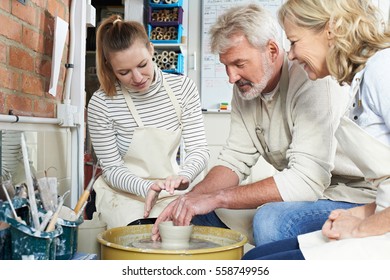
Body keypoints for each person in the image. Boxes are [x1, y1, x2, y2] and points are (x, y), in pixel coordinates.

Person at [151, 3, 376, 244]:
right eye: (225, 66)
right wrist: (189, 200)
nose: (231, 77)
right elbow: (234, 160)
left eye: (239, 64)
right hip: (312, 193)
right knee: (197, 214)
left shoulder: (314, 79)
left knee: (271, 219)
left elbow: (305, 181)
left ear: (271, 50)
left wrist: (218, 197)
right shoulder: (246, 88)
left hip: (355, 196)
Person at [243, 0, 390, 259]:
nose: (291, 55)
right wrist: (361, 213)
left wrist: (360, 227)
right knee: (254, 259)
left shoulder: (382, 69)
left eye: (295, 41)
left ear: (331, 30)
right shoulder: (359, 82)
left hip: (381, 237)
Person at [87, 15, 210, 229]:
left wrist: (183, 176)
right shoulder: (102, 103)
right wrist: (147, 187)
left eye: (142, 65)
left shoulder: (183, 89)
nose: (137, 78)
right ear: (109, 66)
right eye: (123, 72)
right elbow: (112, 168)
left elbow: (198, 150)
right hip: (123, 195)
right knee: (138, 238)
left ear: (151, 50)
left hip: (172, 190)